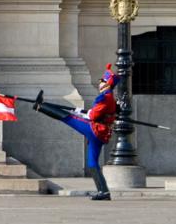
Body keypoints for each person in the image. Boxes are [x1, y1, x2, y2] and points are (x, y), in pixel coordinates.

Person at [31, 63, 118, 200]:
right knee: (92, 163)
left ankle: (40, 107)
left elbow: (93, 116)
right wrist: (84, 112)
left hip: (95, 130)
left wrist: (85, 113)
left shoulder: (105, 97)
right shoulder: (109, 97)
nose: (99, 82)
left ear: (107, 84)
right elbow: (98, 114)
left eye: (102, 81)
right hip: (100, 133)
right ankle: (104, 192)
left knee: (68, 117)